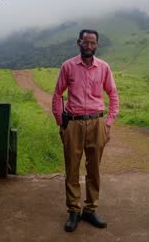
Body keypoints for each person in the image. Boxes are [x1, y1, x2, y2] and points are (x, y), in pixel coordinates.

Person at [52, 29, 119, 232]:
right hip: (73, 123)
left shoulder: (104, 68)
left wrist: (108, 123)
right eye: (85, 42)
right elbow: (57, 94)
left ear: (97, 45)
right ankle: (73, 211)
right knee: (72, 168)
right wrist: (61, 123)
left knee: (94, 169)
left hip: (97, 123)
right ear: (78, 42)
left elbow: (113, 95)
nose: (89, 46)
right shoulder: (68, 66)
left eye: (92, 43)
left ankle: (90, 209)